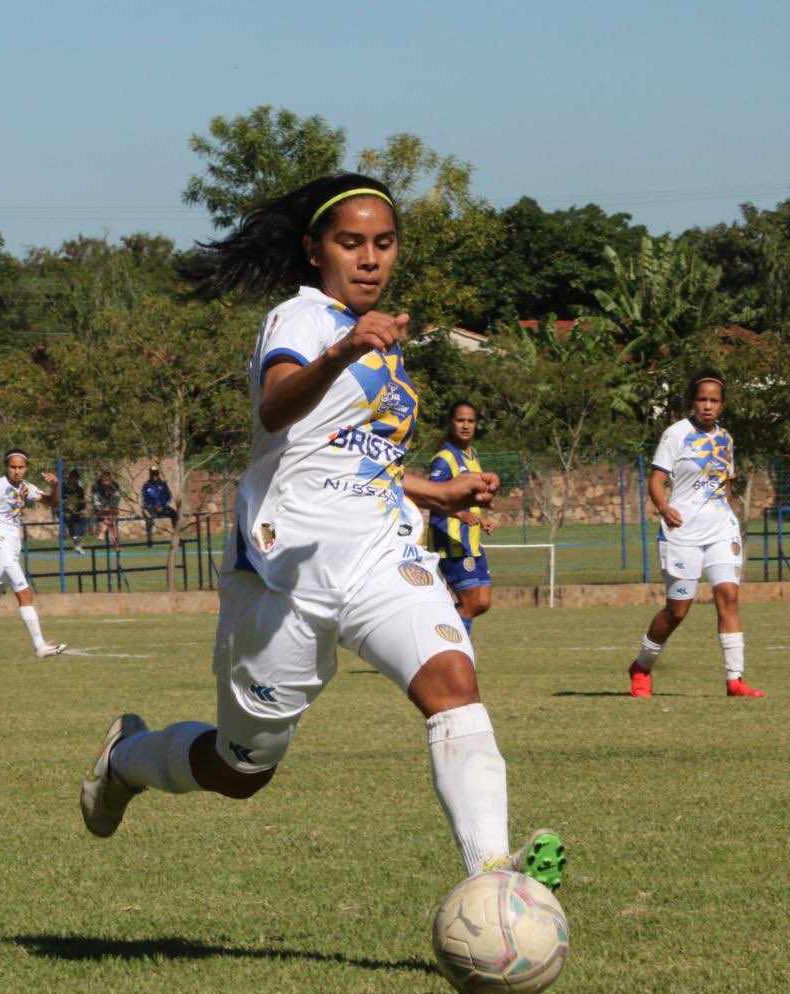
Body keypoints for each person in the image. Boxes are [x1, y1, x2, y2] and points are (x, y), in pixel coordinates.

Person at [80, 174, 566, 894]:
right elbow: (277, 409)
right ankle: (127, 760)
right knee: (242, 769)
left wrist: (437, 490)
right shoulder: (301, 319)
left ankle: (492, 880)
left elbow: (350, 459)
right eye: (351, 243)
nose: (370, 258)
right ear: (315, 250)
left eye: (384, 243)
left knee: (453, 683)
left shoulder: (386, 341)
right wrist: (341, 352)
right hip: (282, 574)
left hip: (380, 557)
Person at [628, 369, 762, 698]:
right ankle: (641, 667)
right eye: (701, 399)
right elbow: (656, 480)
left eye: (714, 400)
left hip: (720, 529)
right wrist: (664, 507)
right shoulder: (676, 434)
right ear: (692, 401)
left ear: (722, 404)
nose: (707, 405)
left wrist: (731, 512)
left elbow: (724, 484)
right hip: (682, 531)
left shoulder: (726, 439)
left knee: (728, 597)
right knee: (677, 611)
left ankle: (735, 679)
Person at [0, 450, 67, 661]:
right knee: (25, 594)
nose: (17, 471)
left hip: (11, 549)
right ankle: (40, 645)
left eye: (21, 467)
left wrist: (56, 485)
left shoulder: (26, 487)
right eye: (13, 467)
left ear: (26, 468)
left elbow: (52, 502)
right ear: (6, 467)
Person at [426, 400, 494, 636]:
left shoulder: (471, 455)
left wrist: (480, 518)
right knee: (471, 601)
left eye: (470, 421)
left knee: (483, 602)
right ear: (450, 423)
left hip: (471, 543)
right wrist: (460, 514)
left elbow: (467, 498)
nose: (465, 425)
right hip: (450, 542)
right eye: (460, 420)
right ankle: (451, 648)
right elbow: (432, 499)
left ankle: (435, 635)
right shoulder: (444, 459)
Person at [140, 466, 179, 543]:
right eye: (153, 474)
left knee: (174, 514)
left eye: (156, 474)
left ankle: (176, 537)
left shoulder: (163, 484)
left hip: (163, 507)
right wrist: (154, 506)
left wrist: (162, 505)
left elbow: (168, 496)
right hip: (151, 508)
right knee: (149, 517)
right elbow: (145, 499)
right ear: (150, 475)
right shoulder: (146, 485)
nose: (155, 476)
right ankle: (149, 539)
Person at [91, 470, 121, 550]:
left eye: (108, 478)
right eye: (104, 478)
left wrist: (110, 506)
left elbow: (116, 498)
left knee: (110, 517)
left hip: (111, 510)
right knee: (110, 518)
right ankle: (115, 543)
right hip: (100, 510)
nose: (106, 480)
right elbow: (95, 501)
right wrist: (101, 507)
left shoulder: (115, 486)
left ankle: (103, 532)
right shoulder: (96, 487)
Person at [63, 467, 87, 554]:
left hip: (75, 512)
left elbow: (82, 503)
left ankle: (77, 538)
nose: (76, 480)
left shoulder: (79, 490)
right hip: (64, 511)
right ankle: (76, 539)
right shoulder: (63, 488)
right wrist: (67, 506)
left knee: (83, 519)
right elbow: (58, 501)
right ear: (70, 478)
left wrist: (80, 506)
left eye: (77, 478)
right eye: (74, 478)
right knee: (69, 519)